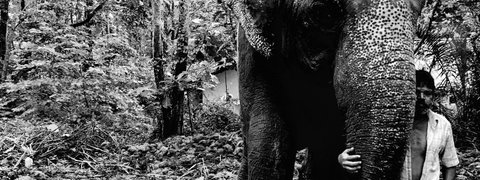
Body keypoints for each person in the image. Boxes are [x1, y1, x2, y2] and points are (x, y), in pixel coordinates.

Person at [337, 70, 459, 180]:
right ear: (407, 92)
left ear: (433, 96)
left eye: (427, 93)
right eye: (416, 92)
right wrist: (342, 159)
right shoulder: (388, 121)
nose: (421, 98)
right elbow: (360, 152)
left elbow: (450, 164)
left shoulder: (443, 125)